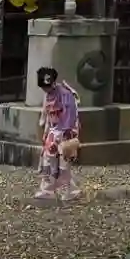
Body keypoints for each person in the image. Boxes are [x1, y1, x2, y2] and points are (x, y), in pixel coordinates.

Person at [34, 66, 81, 203]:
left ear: (54, 83)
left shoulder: (66, 94)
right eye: (43, 87)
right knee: (47, 162)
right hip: (53, 131)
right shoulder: (47, 95)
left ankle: (71, 190)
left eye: (47, 86)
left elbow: (71, 116)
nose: (45, 89)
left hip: (65, 132)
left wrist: (65, 133)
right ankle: (47, 190)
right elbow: (47, 114)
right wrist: (46, 131)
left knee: (63, 165)